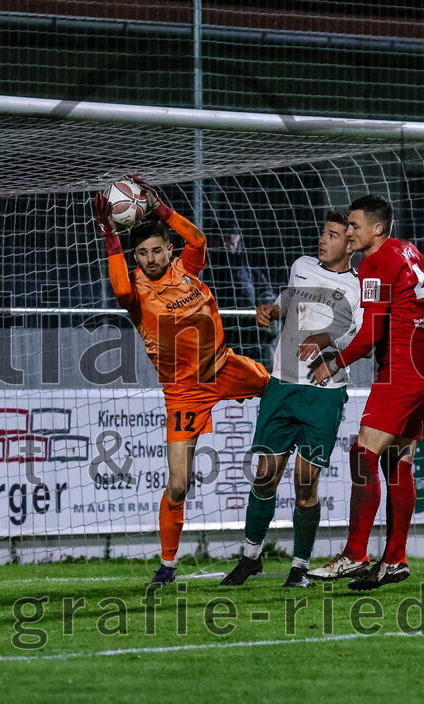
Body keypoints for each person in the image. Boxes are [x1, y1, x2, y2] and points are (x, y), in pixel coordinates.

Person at [94, 175, 270, 585]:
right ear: (135, 257)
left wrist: (160, 209)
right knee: (178, 483)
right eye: (143, 254)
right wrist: (109, 235)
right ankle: (168, 564)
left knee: (280, 390)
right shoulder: (134, 291)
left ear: (167, 250)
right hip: (183, 393)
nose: (151, 258)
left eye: (156, 250)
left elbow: (198, 241)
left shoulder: (184, 268)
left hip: (224, 367)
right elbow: (118, 285)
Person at [306, 194, 424, 591]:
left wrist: (333, 362)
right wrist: (418, 323)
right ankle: (395, 559)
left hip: (403, 369)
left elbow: (370, 334)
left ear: (377, 229)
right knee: (396, 463)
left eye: (354, 226)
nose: (348, 232)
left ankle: (354, 554)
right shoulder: (406, 250)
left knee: (361, 455)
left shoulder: (374, 262)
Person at [220, 211, 361, 588]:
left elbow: (360, 336)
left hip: (323, 394)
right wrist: (273, 309)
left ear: (350, 244)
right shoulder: (301, 266)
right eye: (322, 232)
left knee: (304, 483)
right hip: (281, 385)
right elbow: (290, 300)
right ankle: (250, 557)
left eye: (331, 235)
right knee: (265, 474)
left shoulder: (357, 287)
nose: (322, 239)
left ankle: (299, 567)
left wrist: (329, 348)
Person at [206, 232, 277, 367]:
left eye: (229, 237)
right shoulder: (205, 272)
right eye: (219, 238)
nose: (226, 243)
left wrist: (267, 303)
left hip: (251, 333)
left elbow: (267, 292)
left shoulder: (249, 272)